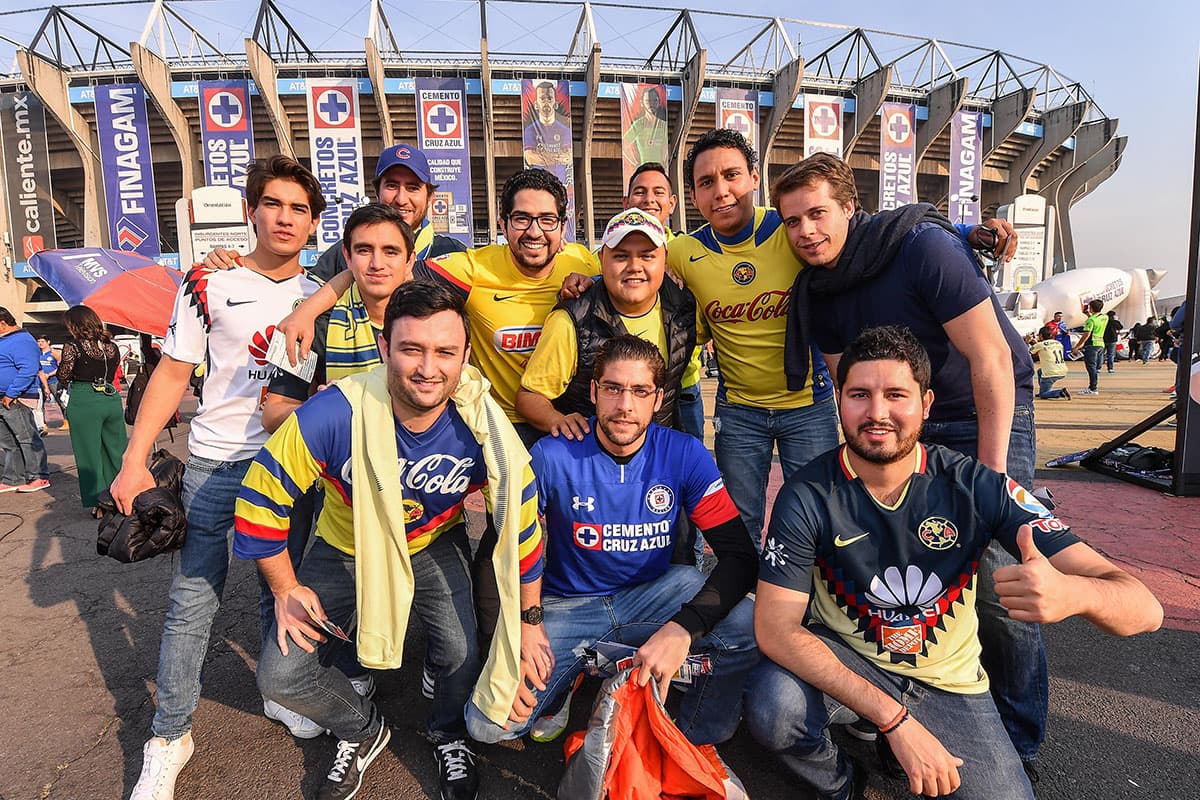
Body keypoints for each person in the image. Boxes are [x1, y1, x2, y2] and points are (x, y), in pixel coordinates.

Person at [746, 326, 1163, 800]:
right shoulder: (806, 493)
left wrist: (1079, 595)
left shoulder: (977, 485)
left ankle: (906, 741)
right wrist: (895, 719)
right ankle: (847, 785)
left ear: (925, 405)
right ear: (839, 400)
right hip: (847, 661)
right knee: (773, 706)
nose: (877, 413)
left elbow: (1147, 610)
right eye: (859, 394)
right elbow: (776, 628)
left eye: (896, 395)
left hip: (948, 683)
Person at [772, 152, 1050, 773]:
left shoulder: (921, 248)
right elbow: (849, 390)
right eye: (792, 222)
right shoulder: (820, 290)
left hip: (976, 412)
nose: (806, 232)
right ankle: (905, 718)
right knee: (907, 571)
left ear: (850, 207)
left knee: (1002, 581)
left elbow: (993, 361)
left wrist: (991, 485)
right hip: (898, 427)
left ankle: (1018, 740)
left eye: (818, 214)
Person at [235, 281, 544, 800]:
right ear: (384, 349)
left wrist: (531, 622)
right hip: (342, 548)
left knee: (463, 653)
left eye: (446, 351)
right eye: (411, 349)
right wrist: (286, 588)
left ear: (466, 355)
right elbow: (259, 497)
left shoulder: (482, 422)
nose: (429, 368)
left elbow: (522, 524)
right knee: (281, 679)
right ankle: (362, 728)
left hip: (430, 544)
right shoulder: (336, 411)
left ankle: (446, 733)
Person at [659, 130, 1015, 552]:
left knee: (826, 515)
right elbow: (627, 263)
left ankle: (817, 606)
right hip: (740, 412)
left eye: (732, 175)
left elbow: (880, 231)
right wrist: (579, 281)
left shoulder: (790, 229)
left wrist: (966, 230)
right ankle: (744, 607)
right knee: (740, 524)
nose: (721, 191)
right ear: (693, 196)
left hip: (807, 409)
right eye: (706, 183)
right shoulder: (683, 251)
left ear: (754, 177)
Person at [109, 155, 325, 800]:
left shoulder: (317, 294)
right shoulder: (207, 281)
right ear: (252, 211)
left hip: (291, 468)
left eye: (300, 209)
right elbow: (174, 372)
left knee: (277, 591)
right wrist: (133, 458)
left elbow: (363, 270)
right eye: (274, 204)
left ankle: (277, 691)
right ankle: (170, 736)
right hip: (213, 464)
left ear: (314, 224)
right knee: (191, 605)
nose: (285, 218)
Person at [466, 335, 758, 747]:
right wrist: (521, 629)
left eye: (640, 391)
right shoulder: (553, 454)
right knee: (488, 725)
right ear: (594, 392)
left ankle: (692, 734)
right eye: (613, 389)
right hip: (567, 605)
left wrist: (683, 628)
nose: (625, 405)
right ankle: (583, 671)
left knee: (748, 623)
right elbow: (502, 549)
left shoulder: (685, 453)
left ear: (658, 398)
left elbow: (739, 557)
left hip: (655, 594)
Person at [516, 208, 695, 436]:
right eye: (621, 256)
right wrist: (557, 421)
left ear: (664, 259)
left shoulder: (684, 305)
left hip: (656, 458)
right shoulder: (572, 319)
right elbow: (529, 397)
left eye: (647, 256)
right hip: (593, 458)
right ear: (601, 260)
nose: (634, 266)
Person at [205, 143, 467, 280]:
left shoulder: (453, 254)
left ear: (430, 197)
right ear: (377, 192)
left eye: (412, 187)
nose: (401, 199)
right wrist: (237, 264)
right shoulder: (344, 253)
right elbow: (296, 290)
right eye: (391, 186)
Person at [621, 162, 706, 440]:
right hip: (628, 388)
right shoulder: (609, 253)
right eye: (639, 192)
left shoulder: (690, 253)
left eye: (658, 193)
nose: (649, 200)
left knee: (687, 470)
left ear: (672, 203)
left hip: (683, 386)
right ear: (626, 202)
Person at [56, 305, 128, 512]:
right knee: (116, 451)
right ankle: (122, 494)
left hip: (85, 397)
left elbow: (63, 376)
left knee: (89, 455)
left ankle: (99, 502)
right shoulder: (111, 346)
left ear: (75, 325)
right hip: (110, 398)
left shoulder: (73, 346)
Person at [0, 306, 50, 493]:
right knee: (8, 442)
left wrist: (12, 393)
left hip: (15, 398)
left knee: (26, 438)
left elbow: (28, 369)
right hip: (4, 398)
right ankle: (13, 477)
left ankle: (38, 476)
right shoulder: (5, 340)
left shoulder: (21, 340)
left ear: (3, 323)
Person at [622, 86, 669, 172]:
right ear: (642, 103)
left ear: (659, 102)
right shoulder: (639, 125)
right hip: (643, 170)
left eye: (654, 101)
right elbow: (624, 143)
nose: (651, 104)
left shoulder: (663, 125)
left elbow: (666, 148)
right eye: (648, 101)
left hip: (659, 170)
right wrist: (634, 161)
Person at [1071, 299, 1107, 395]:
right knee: (1095, 367)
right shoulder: (1104, 317)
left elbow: (1087, 334)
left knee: (1091, 368)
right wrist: (1088, 314)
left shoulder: (1090, 320)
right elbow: (1095, 320)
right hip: (1100, 343)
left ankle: (1093, 388)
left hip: (1092, 344)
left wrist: (1077, 346)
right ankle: (1093, 387)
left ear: (1091, 308)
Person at [1030, 325, 1070, 400]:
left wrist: (1028, 342)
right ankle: (1044, 389)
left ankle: (1059, 392)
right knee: (1040, 371)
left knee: (1043, 395)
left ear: (1041, 335)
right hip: (1062, 370)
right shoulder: (1058, 343)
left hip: (1050, 373)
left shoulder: (1040, 345)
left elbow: (1028, 352)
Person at [36, 335, 65, 433]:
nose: (40, 343)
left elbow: (62, 366)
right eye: (38, 341)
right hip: (40, 381)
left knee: (60, 400)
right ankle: (42, 424)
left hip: (53, 381)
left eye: (42, 341)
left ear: (48, 342)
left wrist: (49, 374)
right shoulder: (37, 354)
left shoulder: (54, 353)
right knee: (40, 403)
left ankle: (66, 421)